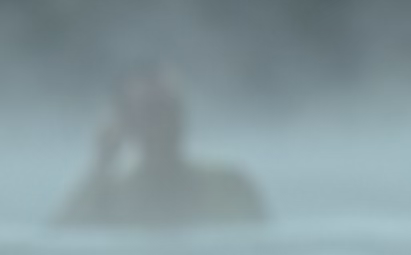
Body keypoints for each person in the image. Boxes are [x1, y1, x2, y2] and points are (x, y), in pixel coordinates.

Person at [53, 71, 263, 228]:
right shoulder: (109, 195)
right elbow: (59, 243)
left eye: (172, 108)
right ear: (127, 122)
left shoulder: (229, 185)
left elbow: (258, 247)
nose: (166, 122)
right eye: (152, 111)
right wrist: (100, 167)